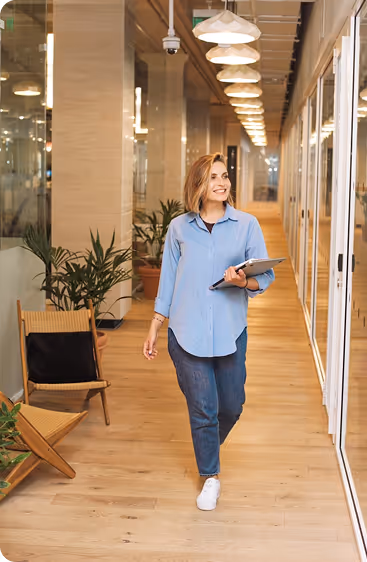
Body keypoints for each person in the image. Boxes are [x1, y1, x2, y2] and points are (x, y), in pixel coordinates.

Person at [143, 153, 275, 511]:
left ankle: (207, 449)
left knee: (231, 406)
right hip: (186, 333)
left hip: (231, 332)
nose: (222, 182)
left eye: (225, 175)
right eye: (213, 177)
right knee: (204, 409)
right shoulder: (179, 228)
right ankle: (210, 477)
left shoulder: (247, 225)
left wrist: (244, 280)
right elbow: (168, 280)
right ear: (198, 185)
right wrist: (156, 325)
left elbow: (266, 276)